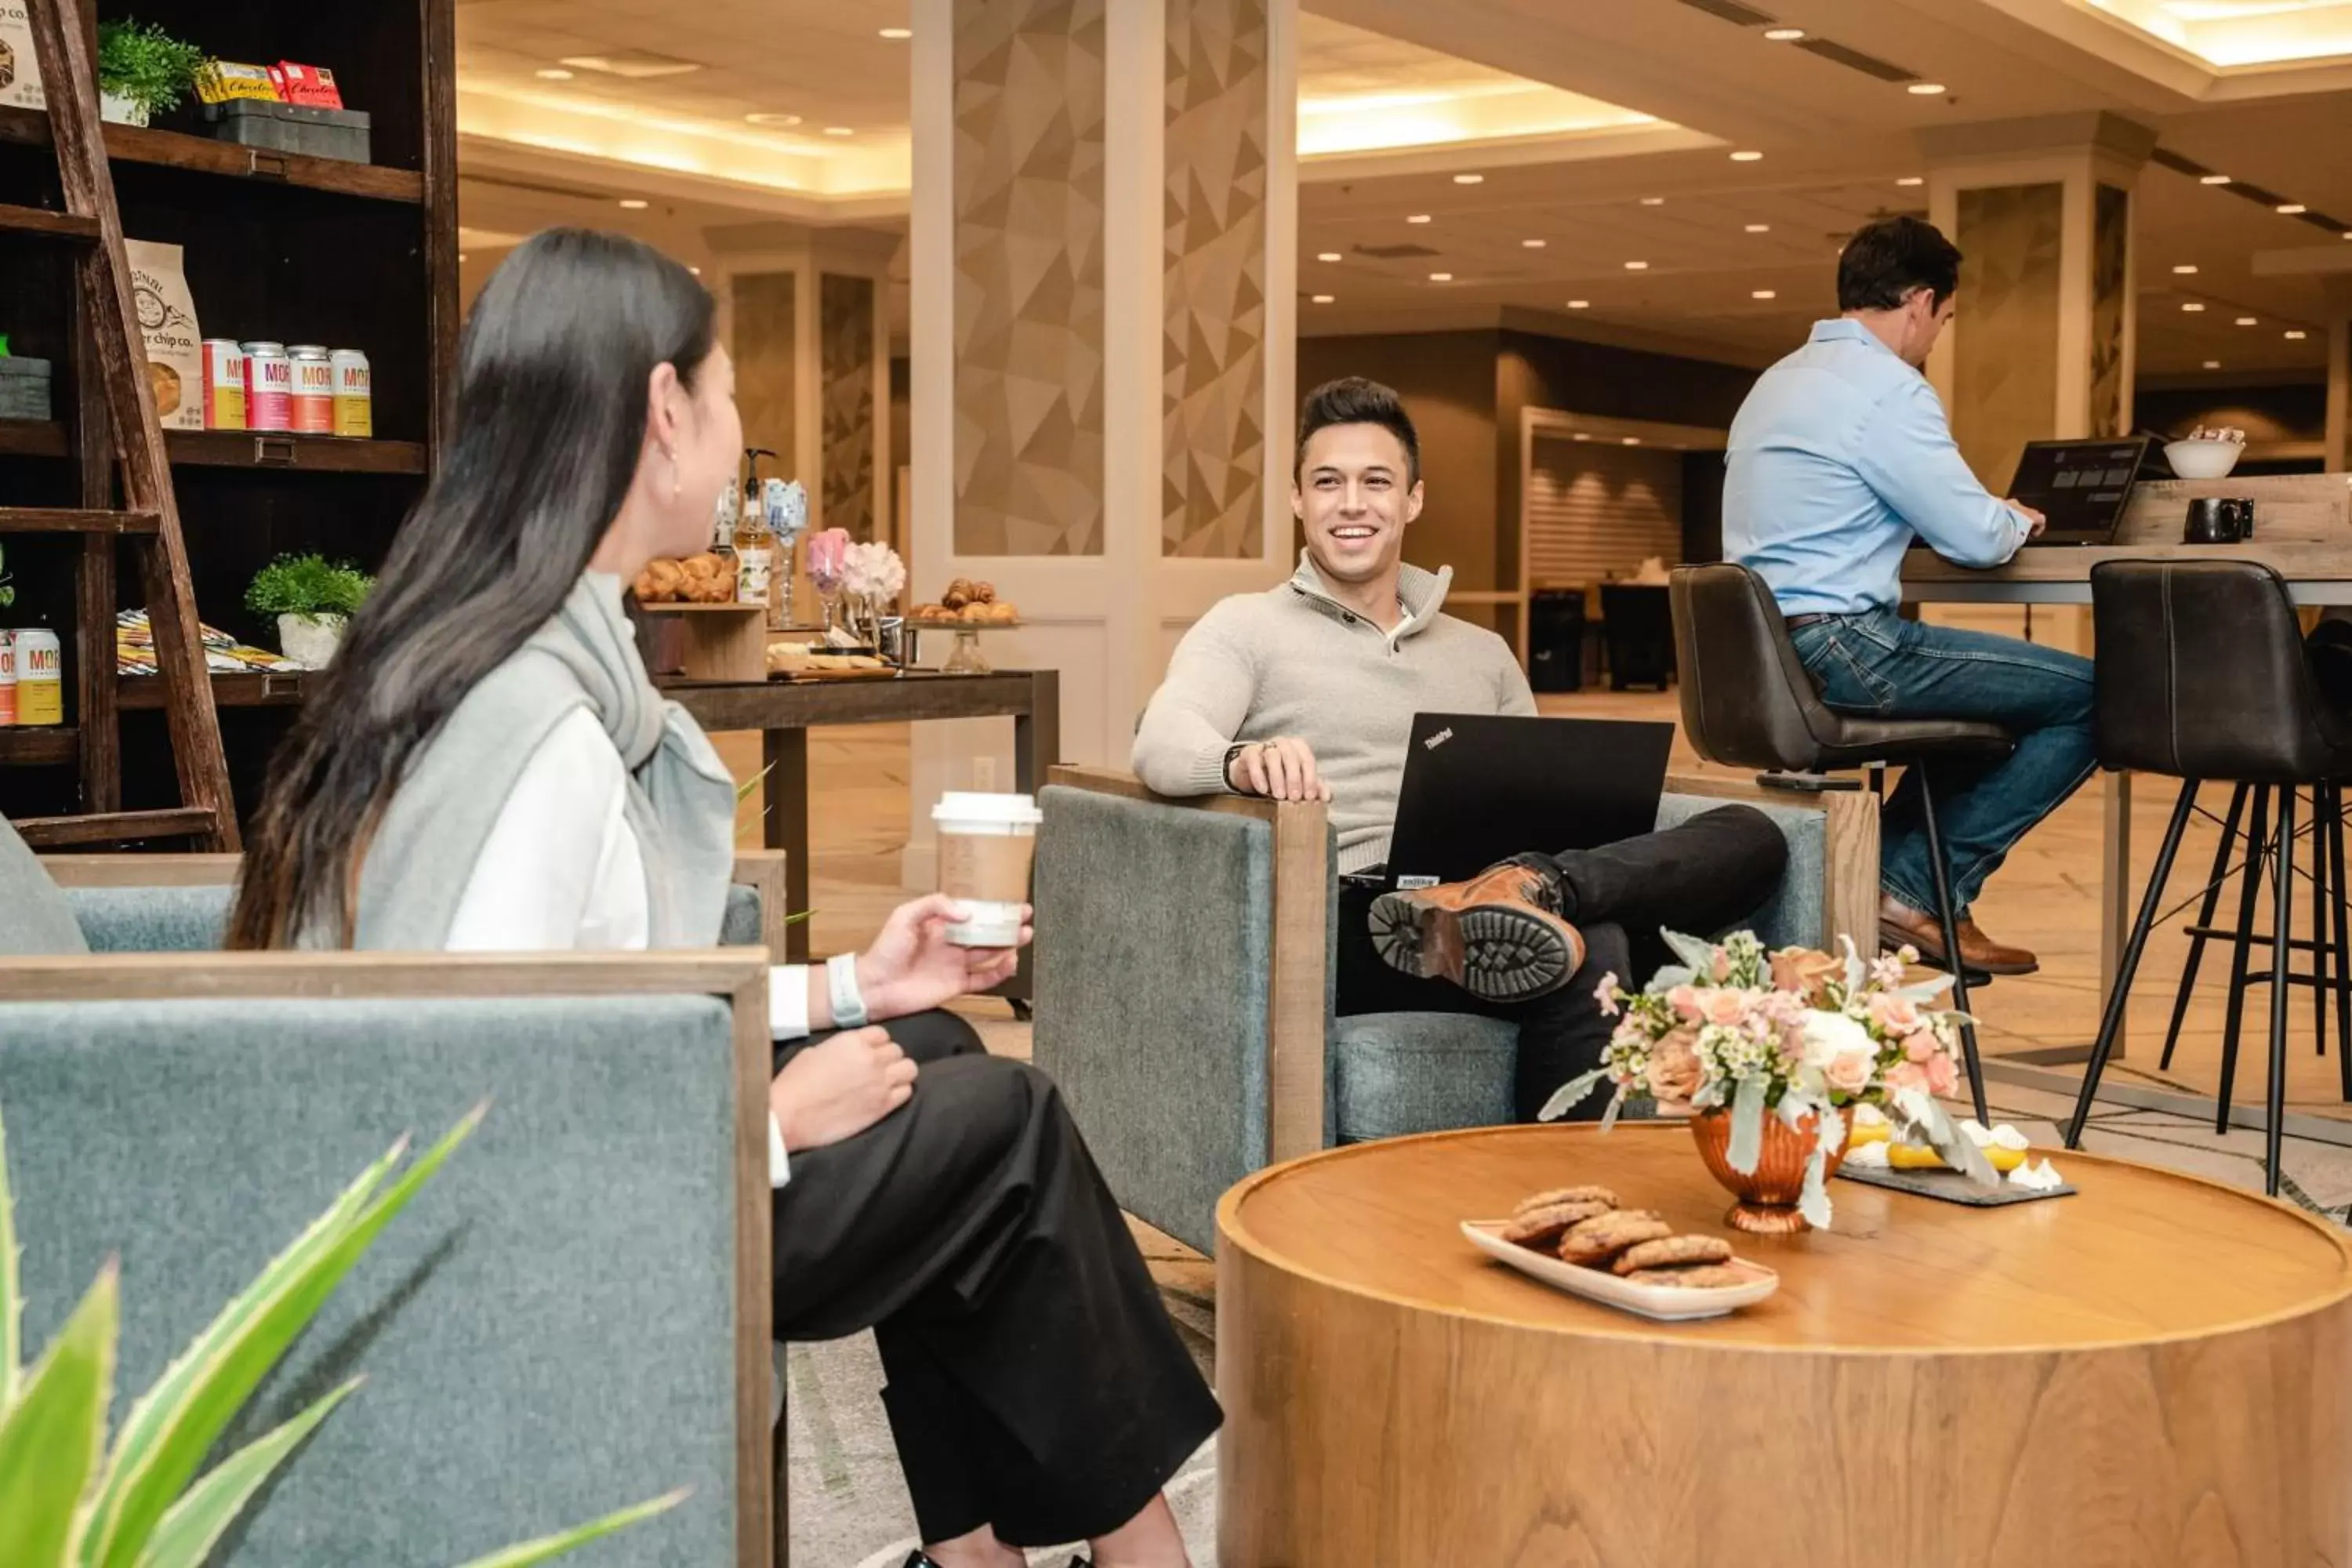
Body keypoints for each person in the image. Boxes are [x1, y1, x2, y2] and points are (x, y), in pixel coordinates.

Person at [227, 230, 1214, 1568]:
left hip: (599, 1156)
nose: (747, 428)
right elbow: (471, 1096)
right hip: (556, 1235)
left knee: (929, 1051)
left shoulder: (504, 649)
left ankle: (977, 1548)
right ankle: (1133, 1544)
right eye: (733, 393)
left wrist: (857, 986)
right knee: (1008, 1117)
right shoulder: (538, 732)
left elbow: (599, 985)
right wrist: (766, 1119)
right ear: (662, 412)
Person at [1131, 376, 1787, 1120]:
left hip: (1503, 893)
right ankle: (1571, 1204)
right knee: (1592, 946)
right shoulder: (1245, 626)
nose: (1352, 503)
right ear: (1297, 501)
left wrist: (1550, 867)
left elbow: (1553, 796)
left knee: (1752, 834)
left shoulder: (1483, 653)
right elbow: (1161, 738)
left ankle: (1533, 890)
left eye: (1376, 482)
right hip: (1365, 920)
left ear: (1412, 500)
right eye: (1327, 483)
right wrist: (1241, 761)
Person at [1722, 215, 2096, 978]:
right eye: (1946, 319)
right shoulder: (1890, 389)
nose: (1937, 337)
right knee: (2097, 695)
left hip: (1764, 657)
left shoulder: (1778, 379)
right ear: (1921, 301)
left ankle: (1897, 886)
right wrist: (2014, 518)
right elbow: (1976, 537)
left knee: (1983, 713)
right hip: (1843, 645)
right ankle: (1908, 886)